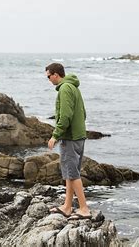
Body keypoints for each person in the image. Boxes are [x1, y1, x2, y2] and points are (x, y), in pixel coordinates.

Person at [45, 62, 91, 220]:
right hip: (79, 136)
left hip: (70, 138)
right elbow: (83, 113)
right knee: (71, 173)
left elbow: (65, 116)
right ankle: (67, 206)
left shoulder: (64, 89)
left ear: (56, 74)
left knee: (72, 173)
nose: (49, 80)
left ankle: (84, 208)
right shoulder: (74, 87)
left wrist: (55, 135)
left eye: (49, 76)